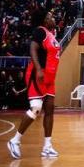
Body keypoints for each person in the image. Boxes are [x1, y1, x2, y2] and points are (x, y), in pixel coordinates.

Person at [7, 9, 61, 159]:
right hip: (38, 74)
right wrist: (38, 69)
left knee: (49, 109)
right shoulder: (40, 31)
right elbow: (32, 49)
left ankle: (47, 147)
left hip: (49, 78)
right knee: (36, 108)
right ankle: (14, 141)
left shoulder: (51, 34)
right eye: (50, 16)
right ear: (44, 20)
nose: (53, 18)